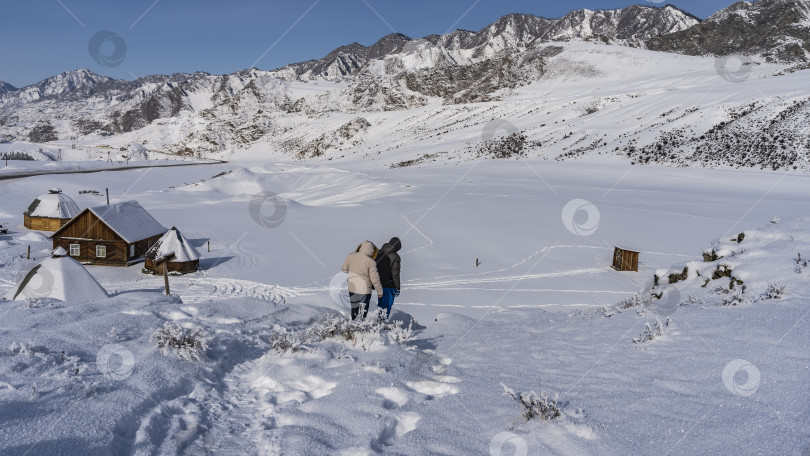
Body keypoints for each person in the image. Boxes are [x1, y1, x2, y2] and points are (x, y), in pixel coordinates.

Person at [341, 241, 384, 320]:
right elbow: (375, 278)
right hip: (365, 290)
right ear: (371, 250)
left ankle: (353, 328)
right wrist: (380, 292)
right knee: (362, 312)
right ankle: (361, 329)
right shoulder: (371, 262)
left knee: (354, 310)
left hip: (352, 288)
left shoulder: (350, 256)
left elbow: (344, 269)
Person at [375, 237, 401, 320]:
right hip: (389, 285)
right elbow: (395, 274)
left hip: (379, 285)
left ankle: (377, 325)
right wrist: (397, 288)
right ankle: (382, 324)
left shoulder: (379, 253)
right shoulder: (395, 256)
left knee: (380, 305)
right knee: (386, 306)